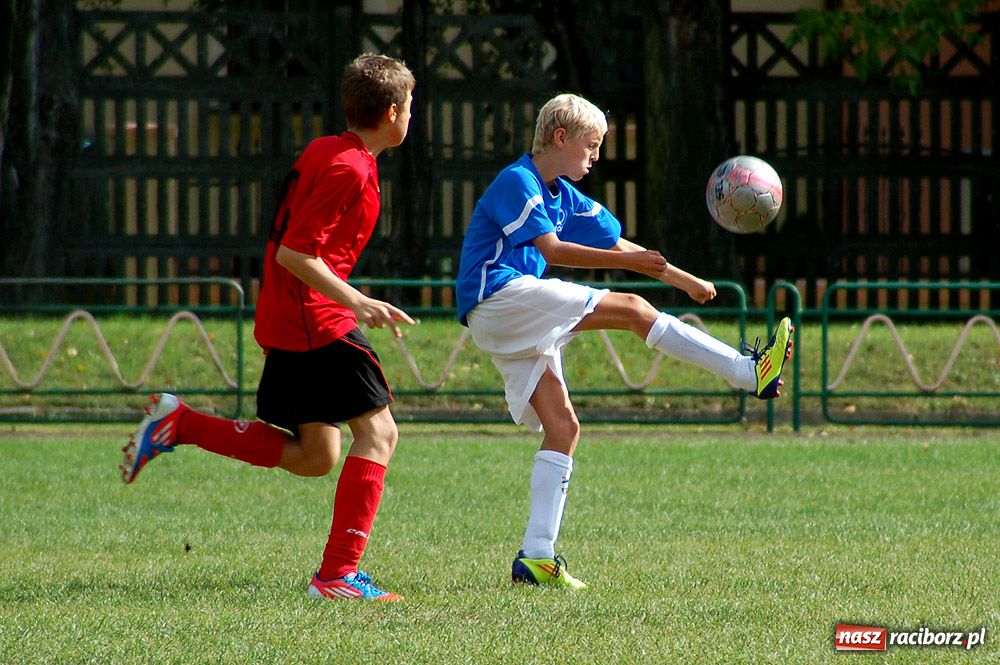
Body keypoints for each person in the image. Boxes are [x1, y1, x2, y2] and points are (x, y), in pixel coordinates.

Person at [455, 93, 793, 589]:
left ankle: (536, 557)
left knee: (564, 428)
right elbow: (553, 251)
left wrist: (683, 279)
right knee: (633, 309)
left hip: (511, 313)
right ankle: (748, 373)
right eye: (591, 146)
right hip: (499, 298)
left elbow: (616, 243)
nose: (595, 157)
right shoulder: (519, 181)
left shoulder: (562, 194)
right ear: (560, 138)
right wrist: (636, 271)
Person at [120, 53, 417, 602]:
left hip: (291, 316)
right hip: (315, 320)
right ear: (394, 111)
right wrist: (359, 301)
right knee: (379, 435)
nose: (412, 116)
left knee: (316, 456)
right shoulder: (349, 166)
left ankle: (177, 424)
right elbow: (296, 253)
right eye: (411, 106)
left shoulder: (330, 149)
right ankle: (337, 577)